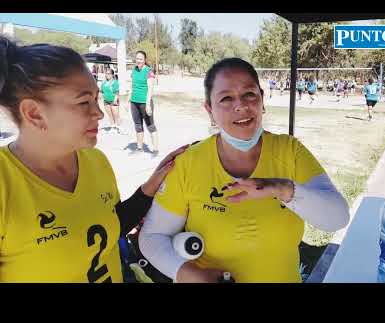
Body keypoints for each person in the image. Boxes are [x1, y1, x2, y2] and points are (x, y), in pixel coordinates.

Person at [139, 58, 350, 283]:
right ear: (209, 110)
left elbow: (337, 218)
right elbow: (153, 236)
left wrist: (282, 189)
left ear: (262, 99)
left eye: (249, 94)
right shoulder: (188, 163)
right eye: (226, 98)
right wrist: (186, 273)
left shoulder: (290, 151)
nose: (241, 105)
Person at [0, 37, 189, 282]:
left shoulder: (95, 161)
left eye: (97, 99)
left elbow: (107, 226)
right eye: (83, 102)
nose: (99, 113)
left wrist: (148, 190)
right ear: (34, 113)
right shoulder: (6, 184)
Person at [129, 51, 159, 156]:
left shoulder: (149, 71)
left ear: (145, 60)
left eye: (141, 59)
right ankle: (139, 148)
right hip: (134, 102)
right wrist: (129, 99)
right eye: (137, 58)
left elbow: (150, 89)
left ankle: (155, 150)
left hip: (144, 103)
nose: (139, 60)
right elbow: (132, 86)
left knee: (150, 126)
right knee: (138, 125)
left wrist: (147, 105)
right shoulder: (134, 70)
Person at [100, 68, 122, 133]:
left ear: (112, 75)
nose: (107, 75)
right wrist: (101, 97)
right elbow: (101, 91)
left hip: (113, 100)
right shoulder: (104, 82)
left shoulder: (115, 82)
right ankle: (112, 127)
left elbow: (117, 92)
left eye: (109, 74)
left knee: (115, 115)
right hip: (106, 101)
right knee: (110, 115)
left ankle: (117, 128)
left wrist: (115, 100)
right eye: (106, 74)